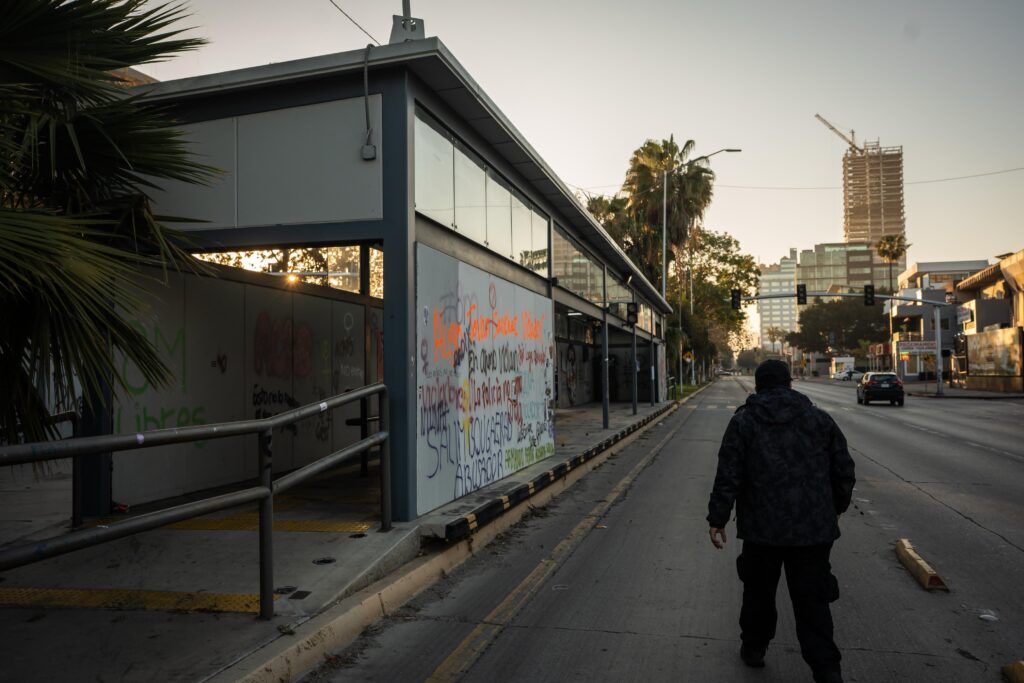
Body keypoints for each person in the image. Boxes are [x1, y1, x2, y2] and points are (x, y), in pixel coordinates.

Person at [707, 359, 856, 683]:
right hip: (813, 532)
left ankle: (754, 649)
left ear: (758, 386)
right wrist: (836, 507)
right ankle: (826, 668)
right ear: (791, 384)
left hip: (762, 531)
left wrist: (717, 518)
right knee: (812, 601)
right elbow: (844, 470)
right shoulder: (820, 420)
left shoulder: (744, 422)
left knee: (758, 594)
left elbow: (728, 474)